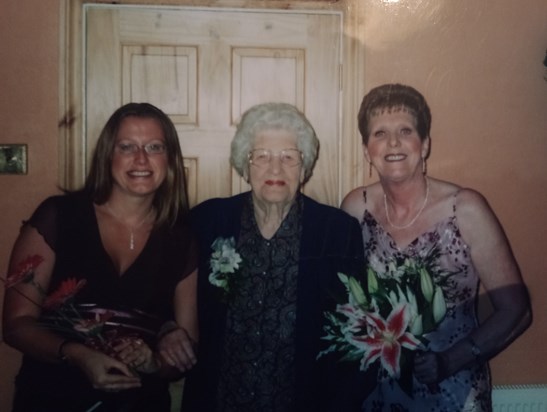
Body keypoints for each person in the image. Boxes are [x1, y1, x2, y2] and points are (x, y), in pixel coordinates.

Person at [337, 83, 532, 410]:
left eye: (405, 131)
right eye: (380, 133)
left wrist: (450, 360)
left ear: (424, 145)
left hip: (453, 389)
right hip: (378, 393)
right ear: (365, 149)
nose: (394, 142)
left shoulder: (465, 209)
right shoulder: (356, 207)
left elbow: (517, 311)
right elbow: (345, 302)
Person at [166, 102, 366, 411]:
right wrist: (166, 330)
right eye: (261, 156)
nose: (276, 169)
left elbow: (355, 337)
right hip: (219, 400)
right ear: (244, 165)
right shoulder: (207, 221)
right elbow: (164, 297)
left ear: (306, 166)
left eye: (289, 156)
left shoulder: (337, 231)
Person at [2, 102, 198, 412]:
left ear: (170, 159)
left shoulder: (182, 238)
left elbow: (183, 354)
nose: (141, 158)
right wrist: (79, 354)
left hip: (138, 402)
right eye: (127, 146)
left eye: (154, 147)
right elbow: (15, 325)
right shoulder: (58, 217)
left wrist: (155, 362)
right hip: (52, 395)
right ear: (108, 155)